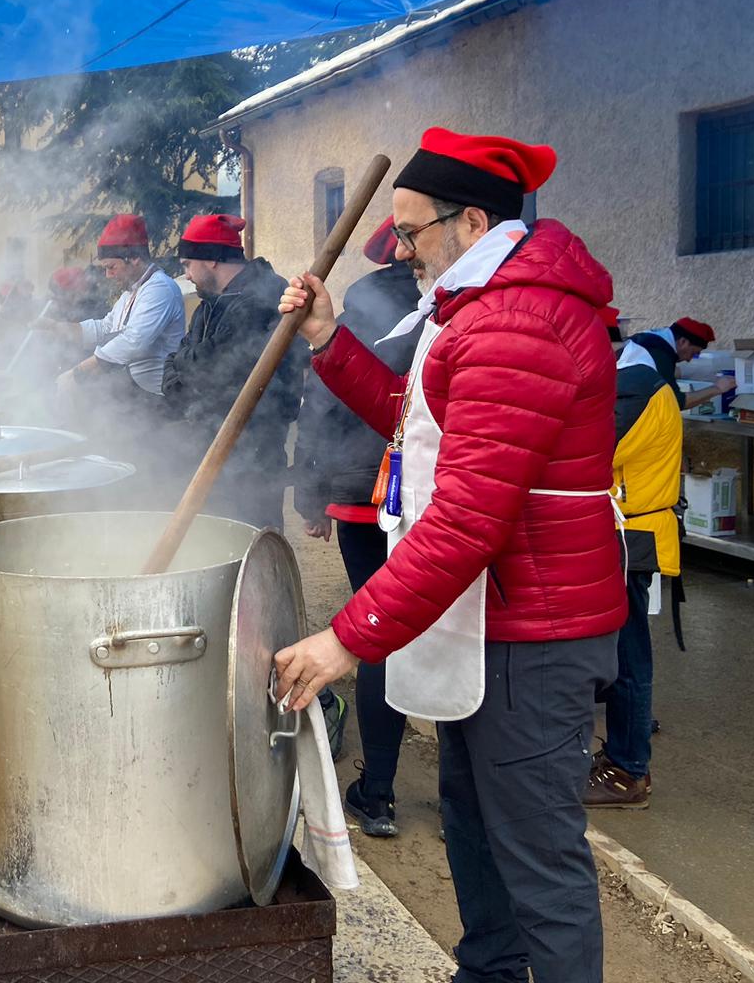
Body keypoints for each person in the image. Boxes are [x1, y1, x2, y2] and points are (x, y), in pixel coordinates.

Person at [272, 127, 625, 983]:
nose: (400, 248)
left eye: (410, 230)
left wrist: (349, 637)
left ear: (471, 221)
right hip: (494, 617)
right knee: (474, 820)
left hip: (533, 629)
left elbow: (470, 517)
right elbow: (416, 414)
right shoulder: (477, 303)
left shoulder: (519, 318)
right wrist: (328, 339)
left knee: (537, 853)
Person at [293, 216, 420, 832]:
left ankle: (380, 792)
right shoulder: (445, 303)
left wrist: (312, 495)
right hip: (426, 497)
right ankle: (458, 802)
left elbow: (322, 401)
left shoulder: (367, 304)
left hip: (366, 498)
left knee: (378, 636)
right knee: (446, 636)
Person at [160, 213, 305, 531]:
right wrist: (184, 369)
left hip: (253, 453)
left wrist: (186, 366)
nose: (186, 274)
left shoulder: (262, 302)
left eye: (187, 265)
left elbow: (213, 370)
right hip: (209, 444)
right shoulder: (209, 304)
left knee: (252, 544)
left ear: (211, 259)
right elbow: (177, 362)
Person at [587, 339, 683, 810]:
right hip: (627, 531)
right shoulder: (636, 384)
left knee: (628, 659)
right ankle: (620, 760)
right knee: (621, 654)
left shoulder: (635, 391)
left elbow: (589, 450)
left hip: (630, 535)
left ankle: (628, 771)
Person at [51, 214, 186, 403]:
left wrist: (78, 372)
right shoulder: (130, 292)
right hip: (133, 390)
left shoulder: (159, 288)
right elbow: (107, 328)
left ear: (135, 258)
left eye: (112, 267)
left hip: (157, 397)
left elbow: (133, 341)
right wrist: (60, 328)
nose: (108, 275)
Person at [617, 317, 731, 406]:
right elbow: (676, 401)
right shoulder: (660, 352)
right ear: (683, 342)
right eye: (693, 353)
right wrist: (717, 388)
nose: (689, 359)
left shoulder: (646, 339)